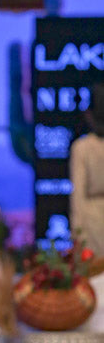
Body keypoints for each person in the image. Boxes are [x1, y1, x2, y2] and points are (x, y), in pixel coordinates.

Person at [70, 81, 104, 257]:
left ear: (89, 113)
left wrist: (77, 234)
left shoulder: (82, 147)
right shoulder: (82, 147)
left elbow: (78, 195)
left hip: (91, 221)